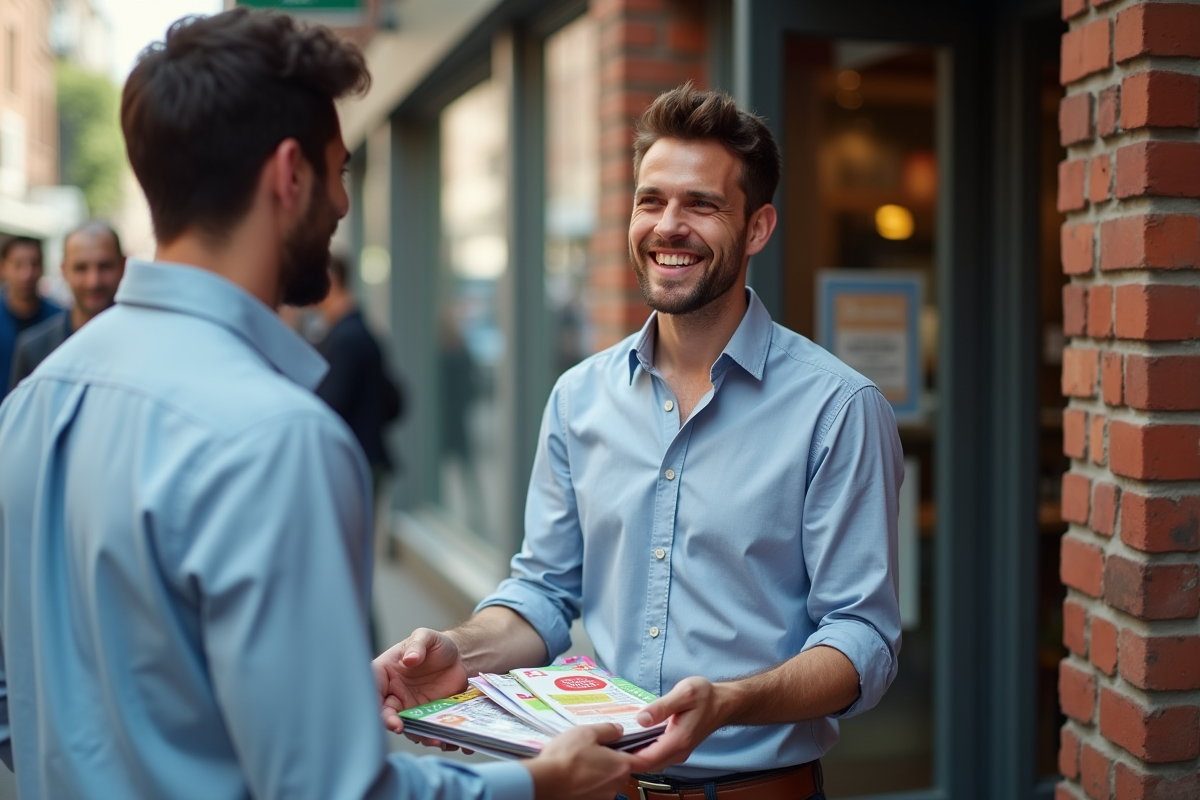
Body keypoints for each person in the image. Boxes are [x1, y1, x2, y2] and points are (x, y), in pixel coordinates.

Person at [0, 9, 642, 800]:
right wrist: (542, 782)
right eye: (338, 170)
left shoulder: (28, 407)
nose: (341, 204)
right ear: (289, 176)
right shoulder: (280, 438)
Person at [376, 83, 904, 800]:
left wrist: (731, 702)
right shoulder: (579, 397)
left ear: (757, 228)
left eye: (703, 204)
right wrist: (459, 651)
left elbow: (863, 639)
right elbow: (542, 590)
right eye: (651, 200)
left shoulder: (837, 407)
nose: (669, 226)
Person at [314, 254, 400, 490]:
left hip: (356, 461)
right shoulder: (353, 332)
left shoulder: (346, 338)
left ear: (332, 280)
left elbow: (330, 405)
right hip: (360, 458)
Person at [8, 221, 125, 390]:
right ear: (63, 270)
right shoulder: (34, 349)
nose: (93, 281)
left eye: (104, 266)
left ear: (123, 265)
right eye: (80, 268)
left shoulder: (146, 345)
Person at [0, 236, 62, 403]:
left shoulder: (59, 319)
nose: (26, 274)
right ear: (3, 267)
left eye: (34, 264)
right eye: (18, 265)